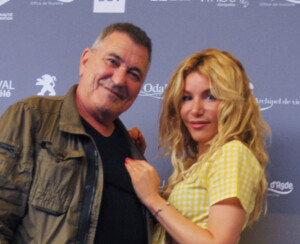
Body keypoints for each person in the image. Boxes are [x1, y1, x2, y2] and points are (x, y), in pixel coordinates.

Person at [0, 23, 153, 244]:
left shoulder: (135, 156)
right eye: (113, 61)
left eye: (134, 74)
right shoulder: (31, 117)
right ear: (85, 61)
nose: (119, 79)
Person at [125, 48, 270, 244]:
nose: (195, 110)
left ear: (232, 102)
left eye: (210, 96)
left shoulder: (232, 153)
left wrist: (153, 200)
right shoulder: (197, 163)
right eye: (187, 97)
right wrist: (137, 157)